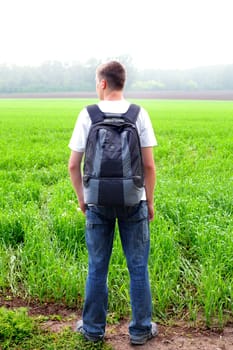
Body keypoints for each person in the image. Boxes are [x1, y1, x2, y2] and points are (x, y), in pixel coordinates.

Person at [68, 61, 158, 345]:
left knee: (97, 266)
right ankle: (141, 329)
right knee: (138, 267)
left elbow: (73, 165)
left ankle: (93, 331)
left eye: (97, 82)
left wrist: (84, 200)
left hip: (97, 203)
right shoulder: (138, 114)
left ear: (103, 83)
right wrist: (150, 202)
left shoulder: (88, 114)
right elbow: (149, 167)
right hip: (134, 200)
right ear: (123, 83)